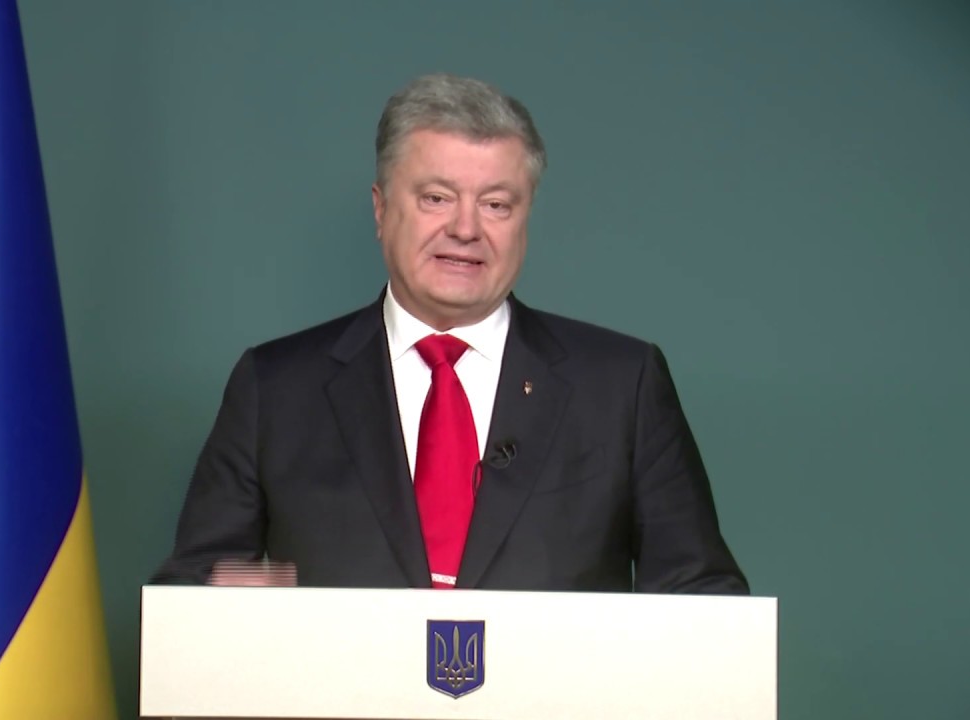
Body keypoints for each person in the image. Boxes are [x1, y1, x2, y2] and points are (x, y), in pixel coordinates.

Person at [152, 73, 747, 594]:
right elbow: (198, 595)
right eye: (436, 198)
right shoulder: (276, 389)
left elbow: (703, 598)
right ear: (381, 209)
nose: (466, 228)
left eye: (496, 205)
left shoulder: (622, 385)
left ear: (526, 219)